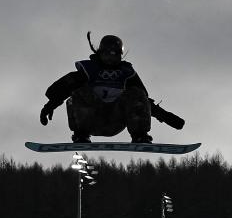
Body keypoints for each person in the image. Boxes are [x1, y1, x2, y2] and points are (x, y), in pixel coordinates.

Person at [39, 33, 181, 143]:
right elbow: (62, 89)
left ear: (120, 55)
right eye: (107, 53)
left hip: (116, 119)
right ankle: (81, 134)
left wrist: (166, 117)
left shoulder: (127, 74)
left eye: (115, 54)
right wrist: (49, 106)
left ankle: (139, 135)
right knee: (79, 91)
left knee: (136, 92)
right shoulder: (88, 70)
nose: (111, 58)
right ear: (100, 52)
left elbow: (142, 101)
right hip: (91, 119)